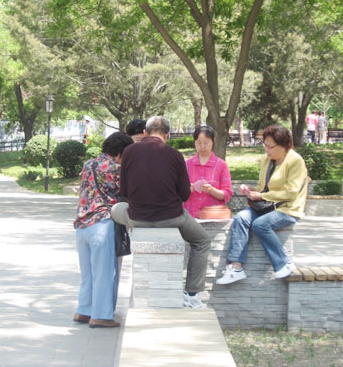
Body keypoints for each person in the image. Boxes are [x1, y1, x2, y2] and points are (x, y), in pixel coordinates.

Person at [111, 116, 211, 308]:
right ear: (167, 135)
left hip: (137, 217)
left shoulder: (129, 152)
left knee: (116, 209)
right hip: (172, 218)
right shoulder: (175, 155)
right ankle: (191, 294)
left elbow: (123, 191)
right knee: (202, 241)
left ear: (145, 133)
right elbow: (183, 194)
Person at [216, 124, 308, 285]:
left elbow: (291, 193)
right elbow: (263, 187)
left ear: (284, 145)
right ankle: (235, 267)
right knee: (241, 218)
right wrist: (251, 190)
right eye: (265, 145)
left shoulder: (295, 161)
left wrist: (262, 195)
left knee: (260, 225)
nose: (267, 150)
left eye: (270, 146)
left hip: (288, 209)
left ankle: (283, 263)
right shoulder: (267, 160)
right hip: (266, 206)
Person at [73, 131, 133, 328]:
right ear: (120, 153)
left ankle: (84, 310)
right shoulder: (116, 168)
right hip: (102, 224)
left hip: (82, 225)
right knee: (105, 272)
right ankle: (101, 316)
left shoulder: (89, 164)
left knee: (88, 273)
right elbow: (127, 193)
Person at [183, 125, 233, 218]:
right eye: (199, 143)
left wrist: (212, 190)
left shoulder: (221, 165)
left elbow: (227, 194)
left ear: (213, 141)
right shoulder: (187, 164)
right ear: (194, 143)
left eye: (206, 143)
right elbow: (179, 193)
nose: (202, 146)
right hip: (190, 216)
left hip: (213, 216)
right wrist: (187, 189)